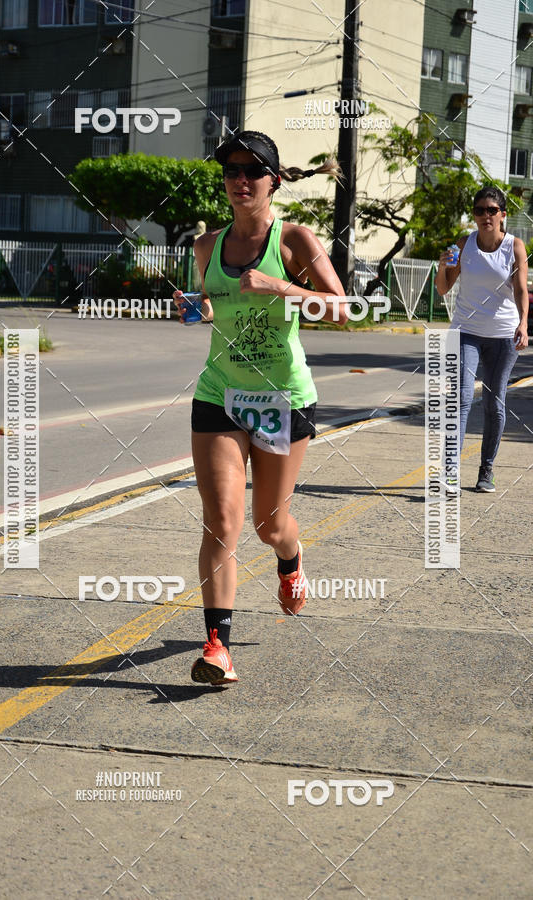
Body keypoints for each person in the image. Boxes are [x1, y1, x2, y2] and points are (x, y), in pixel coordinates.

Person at [174, 130, 348, 686]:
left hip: (282, 400)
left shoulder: (296, 239)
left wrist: (279, 286)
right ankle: (217, 646)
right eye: (231, 171)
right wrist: (195, 309)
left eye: (252, 171)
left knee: (269, 525)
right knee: (221, 520)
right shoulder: (207, 247)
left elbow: (342, 310)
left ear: (273, 180)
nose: (240, 180)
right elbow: (212, 307)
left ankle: (290, 557)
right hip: (220, 395)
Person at [435, 186, 529, 492]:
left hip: (503, 335)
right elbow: (443, 289)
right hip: (465, 331)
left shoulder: (515, 247)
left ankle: (486, 470)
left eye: (492, 210)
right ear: (474, 215)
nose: (485, 216)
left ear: (503, 215)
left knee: (494, 403)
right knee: (460, 399)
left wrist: (524, 323)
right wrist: (442, 265)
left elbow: (520, 290)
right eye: (479, 210)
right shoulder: (464, 244)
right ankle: (450, 472)